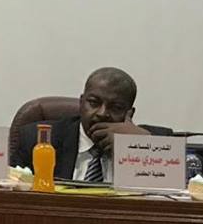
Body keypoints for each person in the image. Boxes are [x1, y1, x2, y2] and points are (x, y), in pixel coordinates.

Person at [11, 67, 171, 182]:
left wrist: (136, 144)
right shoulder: (37, 139)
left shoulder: (154, 142)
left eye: (116, 107)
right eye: (94, 103)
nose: (102, 113)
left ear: (130, 113)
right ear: (81, 103)